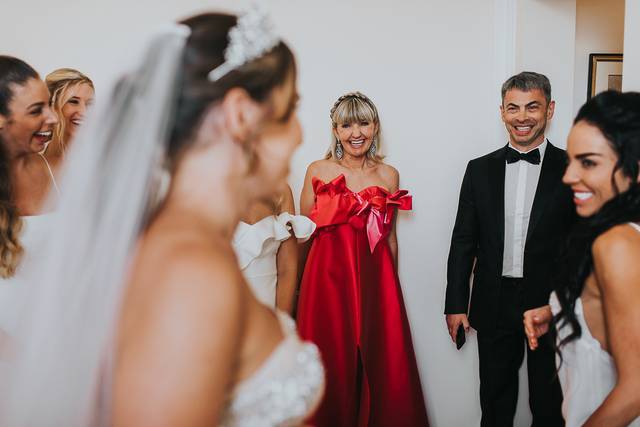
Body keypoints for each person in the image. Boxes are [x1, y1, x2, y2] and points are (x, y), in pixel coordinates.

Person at [0, 9, 324, 426]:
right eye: (289, 108)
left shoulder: (185, 243)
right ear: (240, 113)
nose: (299, 131)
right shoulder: (191, 269)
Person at [445, 71, 575, 426]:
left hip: (550, 302)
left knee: (550, 405)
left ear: (550, 109)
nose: (522, 117)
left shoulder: (573, 168)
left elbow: (582, 245)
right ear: (502, 111)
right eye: (513, 108)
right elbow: (462, 242)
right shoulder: (478, 170)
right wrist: (456, 304)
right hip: (493, 300)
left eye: (532, 107)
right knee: (495, 402)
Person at [296, 91, 429, 426]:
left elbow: (390, 237)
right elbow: (303, 235)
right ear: (336, 131)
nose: (356, 132)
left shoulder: (389, 175)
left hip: (375, 279)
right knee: (329, 358)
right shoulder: (318, 169)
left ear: (375, 127)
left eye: (364, 123)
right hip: (326, 279)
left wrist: (390, 294)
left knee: (381, 362)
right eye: (347, 125)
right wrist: (298, 289)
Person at [524, 91, 640, 427]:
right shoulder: (626, 232)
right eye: (572, 160)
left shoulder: (616, 243)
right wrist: (562, 308)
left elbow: (635, 386)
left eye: (588, 162)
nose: (568, 175)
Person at [0, 56, 58, 356]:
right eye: (37, 110)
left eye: (49, 104)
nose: (53, 118)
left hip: (52, 337)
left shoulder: (46, 168)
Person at [233, 183, 315, 314]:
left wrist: (282, 321)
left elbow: (287, 269)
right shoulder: (205, 191)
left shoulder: (280, 190)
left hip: (268, 310)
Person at [44, 68, 94, 175]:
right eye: (73, 101)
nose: (84, 112)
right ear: (51, 106)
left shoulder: (98, 162)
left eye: (89, 104)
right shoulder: (30, 165)